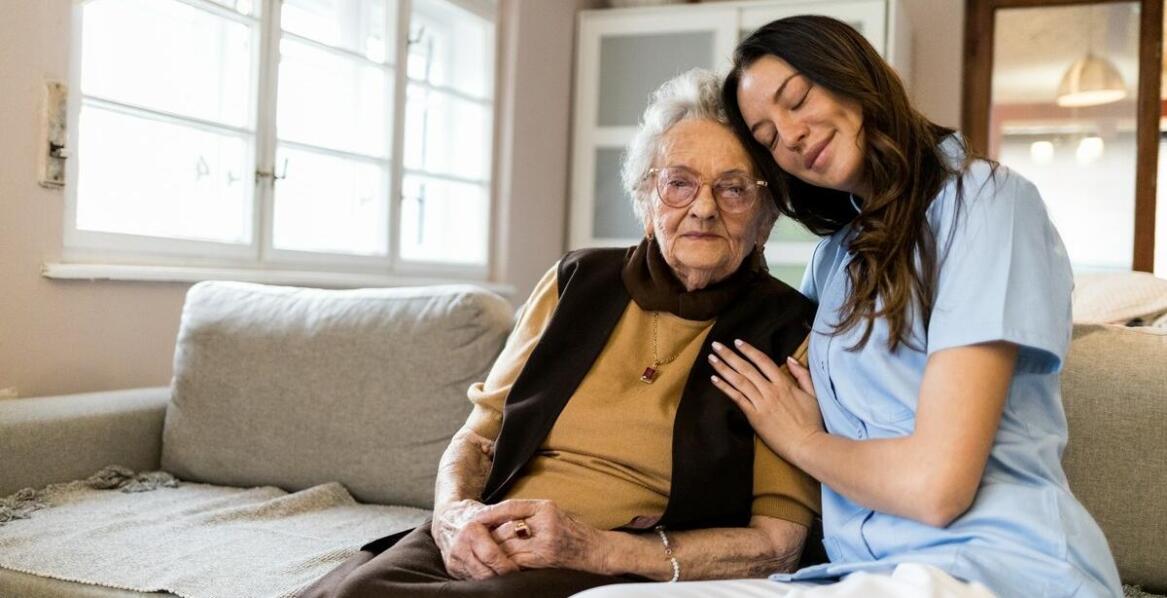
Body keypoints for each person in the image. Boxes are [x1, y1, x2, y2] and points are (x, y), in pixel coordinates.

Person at [578, 15, 1122, 598]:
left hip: (995, 566)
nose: (788, 135)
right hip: (854, 575)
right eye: (765, 137)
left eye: (798, 99)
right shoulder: (831, 264)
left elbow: (937, 488)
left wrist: (805, 441)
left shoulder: (984, 202)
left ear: (853, 76)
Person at [300, 68, 823, 598]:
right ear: (646, 202)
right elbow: (479, 437)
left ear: (765, 218)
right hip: (493, 531)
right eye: (679, 183)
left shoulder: (786, 332)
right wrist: (454, 517)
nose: (704, 207)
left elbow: (779, 542)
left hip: (620, 561)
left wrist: (595, 549)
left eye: (733, 189)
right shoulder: (577, 281)